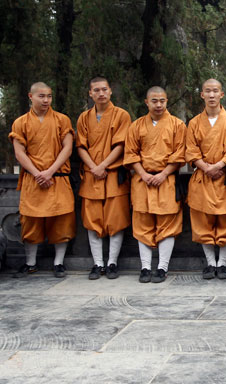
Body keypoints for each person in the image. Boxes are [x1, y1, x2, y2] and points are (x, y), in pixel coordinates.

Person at [9, 82, 76, 278]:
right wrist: (38, 173)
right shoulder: (20, 122)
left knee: (62, 220)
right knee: (30, 221)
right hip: (33, 179)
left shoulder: (62, 120)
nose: (46, 100)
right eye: (41, 96)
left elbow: (67, 148)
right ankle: (30, 262)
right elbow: (19, 152)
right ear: (31, 96)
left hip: (57, 178)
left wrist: (49, 172)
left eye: (49, 96)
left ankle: (59, 263)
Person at [123, 86, 185, 283]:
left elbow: (180, 153)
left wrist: (164, 173)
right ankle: (145, 268)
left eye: (162, 101)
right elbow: (131, 153)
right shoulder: (136, 125)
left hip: (167, 180)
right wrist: (142, 173)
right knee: (142, 224)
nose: (158, 105)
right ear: (147, 102)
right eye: (154, 101)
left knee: (167, 223)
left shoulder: (177, 125)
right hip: (142, 180)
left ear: (167, 101)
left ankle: (162, 267)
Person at [186, 79, 226, 280]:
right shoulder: (194, 123)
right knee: (203, 222)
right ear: (202, 94)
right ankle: (210, 263)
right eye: (208, 91)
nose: (211, 95)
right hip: (203, 178)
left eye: (215, 91)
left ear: (222, 94)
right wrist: (206, 167)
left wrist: (219, 166)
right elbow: (190, 150)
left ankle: (223, 263)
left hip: (224, 178)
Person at [76, 77, 132, 280]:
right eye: (96, 90)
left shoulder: (121, 115)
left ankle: (112, 263)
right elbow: (80, 146)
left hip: (113, 175)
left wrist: (102, 166)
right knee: (92, 221)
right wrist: (93, 167)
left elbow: (121, 145)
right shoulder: (83, 118)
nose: (101, 93)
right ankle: (97, 263)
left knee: (115, 221)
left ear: (110, 91)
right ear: (90, 93)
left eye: (104, 89)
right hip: (91, 176)